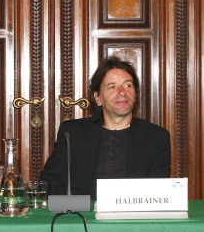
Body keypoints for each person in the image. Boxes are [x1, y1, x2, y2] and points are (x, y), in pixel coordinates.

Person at [39, 56, 171, 199]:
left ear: (135, 95)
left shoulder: (156, 138)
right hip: (82, 217)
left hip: (132, 218)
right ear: (98, 98)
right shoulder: (73, 133)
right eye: (112, 87)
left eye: (128, 85)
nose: (122, 92)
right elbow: (49, 182)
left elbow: (157, 193)